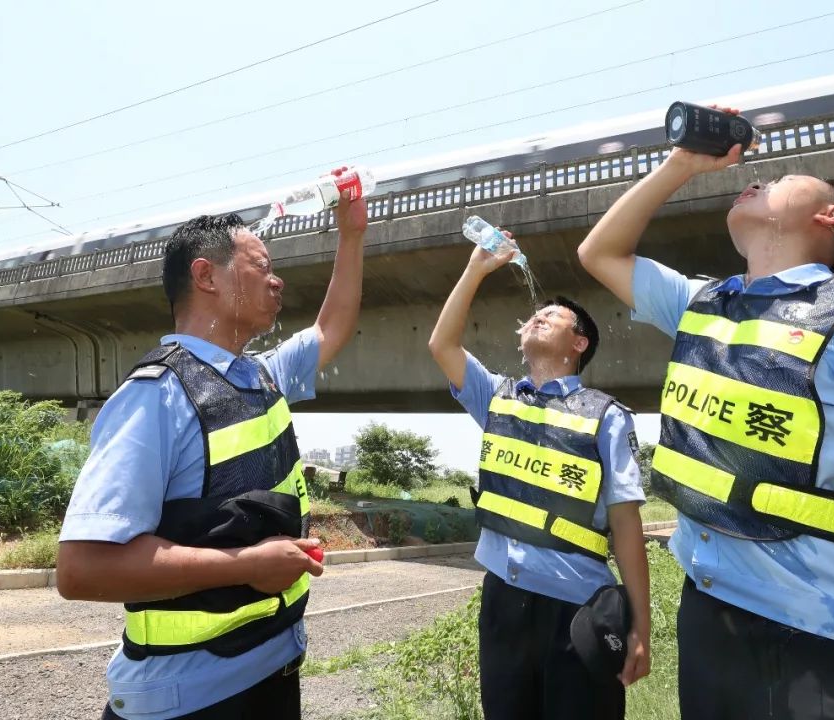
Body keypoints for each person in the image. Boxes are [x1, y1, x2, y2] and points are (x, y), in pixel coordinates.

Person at [577, 108, 834, 720]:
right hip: (709, 618)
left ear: (831, 214)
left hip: (822, 642)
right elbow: (599, 250)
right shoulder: (705, 302)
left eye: (780, 181)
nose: (757, 181)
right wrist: (682, 162)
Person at [56, 171, 368, 720]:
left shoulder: (259, 376)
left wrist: (352, 235)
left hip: (271, 670)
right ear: (206, 276)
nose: (278, 283)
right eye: (262, 267)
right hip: (189, 700)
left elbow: (330, 330)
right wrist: (246, 564)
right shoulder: (157, 397)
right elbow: (82, 569)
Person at [428, 238, 651, 720]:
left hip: (579, 610)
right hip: (503, 603)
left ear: (579, 343)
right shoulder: (498, 398)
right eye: (535, 314)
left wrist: (640, 625)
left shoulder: (606, 416)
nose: (539, 316)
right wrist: (475, 269)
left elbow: (627, 522)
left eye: (555, 316)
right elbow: (442, 345)